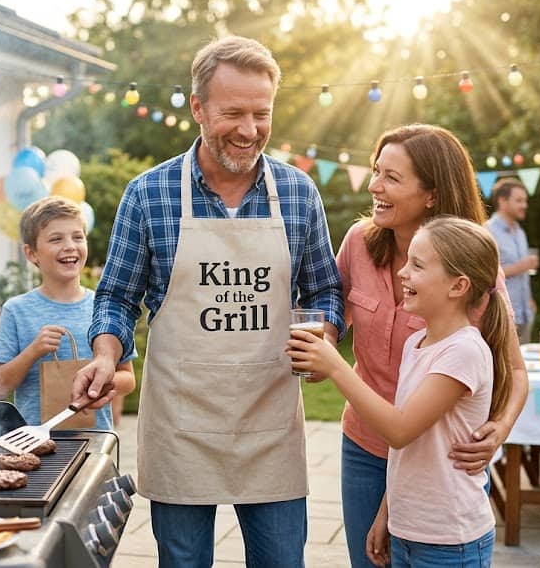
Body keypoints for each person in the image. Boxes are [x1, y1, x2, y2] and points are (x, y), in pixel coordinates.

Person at [74, 36, 344, 566]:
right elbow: (117, 297)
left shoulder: (298, 192)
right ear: (198, 108)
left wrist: (325, 335)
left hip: (270, 423)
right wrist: (106, 354)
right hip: (182, 424)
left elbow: (324, 289)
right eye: (233, 113)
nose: (249, 130)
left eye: (261, 114)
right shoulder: (148, 194)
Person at [334, 124, 528, 568]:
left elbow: (513, 369)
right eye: (375, 171)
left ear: (432, 195)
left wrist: (499, 429)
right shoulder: (359, 244)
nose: (374, 186)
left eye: (392, 178)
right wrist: (321, 336)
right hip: (365, 447)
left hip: (435, 463)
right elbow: (331, 314)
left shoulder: (470, 271)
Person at [290, 217, 511, 567]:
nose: (402, 273)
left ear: (458, 286)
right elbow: (406, 452)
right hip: (409, 530)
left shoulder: (464, 352)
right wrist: (386, 514)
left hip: (449, 540)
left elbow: (400, 429)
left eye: (417, 265)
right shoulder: (416, 345)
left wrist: (335, 367)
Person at [0, 196, 136, 428]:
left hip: (95, 442)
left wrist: (100, 383)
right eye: (56, 239)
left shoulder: (107, 306)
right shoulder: (17, 311)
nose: (70, 245)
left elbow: (128, 379)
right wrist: (33, 351)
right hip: (36, 444)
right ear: (31, 253)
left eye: (78, 237)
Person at [486, 178, 537, 342]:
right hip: (501, 315)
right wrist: (521, 266)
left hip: (524, 313)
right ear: (502, 201)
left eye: (525, 201)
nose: (525, 205)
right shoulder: (487, 231)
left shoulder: (520, 232)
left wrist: (529, 300)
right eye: (519, 200)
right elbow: (485, 274)